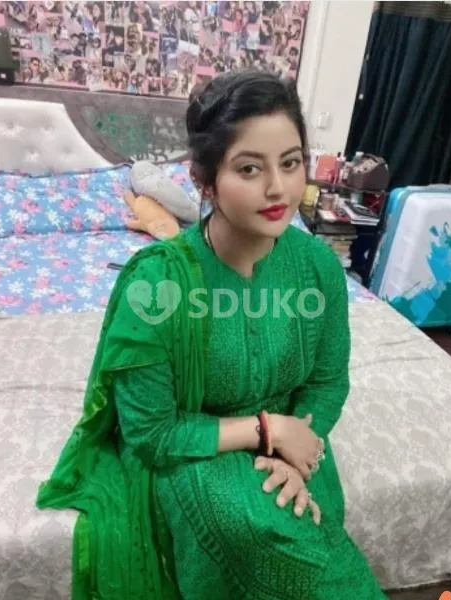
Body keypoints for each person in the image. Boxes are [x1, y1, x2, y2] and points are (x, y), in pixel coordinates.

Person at [36, 70, 387, 599]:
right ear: (204, 180)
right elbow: (151, 433)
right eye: (249, 168)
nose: (278, 188)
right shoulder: (158, 284)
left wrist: (298, 449)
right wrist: (268, 430)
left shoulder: (318, 265)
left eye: (291, 163)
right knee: (261, 531)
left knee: (310, 529)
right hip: (197, 446)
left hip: (297, 440)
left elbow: (327, 380)